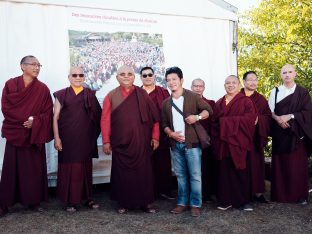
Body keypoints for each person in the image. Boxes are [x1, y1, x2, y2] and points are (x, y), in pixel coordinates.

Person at [101, 65, 160, 214]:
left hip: (141, 141)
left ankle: (145, 202)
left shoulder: (142, 94)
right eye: (122, 74)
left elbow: (155, 118)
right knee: (122, 173)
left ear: (134, 77)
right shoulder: (111, 95)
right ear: (117, 77)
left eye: (129, 74)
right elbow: (105, 119)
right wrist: (106, 141)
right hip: (121, 143)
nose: (126, 76)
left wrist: (155, 137)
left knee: (144, 172)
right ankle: (123, 202)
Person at [0, 55, 53, 217]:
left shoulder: (42, 88)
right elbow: (6, 107)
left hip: (33, 136)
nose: (37, 68)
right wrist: (23, 119)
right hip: (16, 133)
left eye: (39, 65)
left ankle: (33, 201)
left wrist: (35, 122)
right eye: (33, 65)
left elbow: (47, 112)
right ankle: (4, 203)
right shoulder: (11, 84)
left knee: (33, 169)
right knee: (11, 170)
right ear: (23, 66)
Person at [162, 67, 213, 217]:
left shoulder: (193, 96)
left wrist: (196, 118)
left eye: (174, 79)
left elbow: (208, 110)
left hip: (192, 144)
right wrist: (171, 134)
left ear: (181, 80)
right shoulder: (166, 102)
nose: (171, 83)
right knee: (180, 175)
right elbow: (163, 123)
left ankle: (195, 204)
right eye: (169, 80)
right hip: (175, 144)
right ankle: (182, 202)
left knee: (195, 175)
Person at [53, 67, 102, 212]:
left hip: (85, 138)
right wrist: (57, 138)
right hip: (67, 138)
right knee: (70, 169)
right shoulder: (61, 94)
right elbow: (55, 117)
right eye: (74, 75)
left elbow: (98, 116)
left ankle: (88, 198)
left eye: (81, 75)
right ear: (69, 77)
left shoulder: (89, 94)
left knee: (85, 167)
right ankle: (70, 201)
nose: (78, 77)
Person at [211, 75, 257, 211]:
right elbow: (214, 123)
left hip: (238, 142)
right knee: (224, 172)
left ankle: (243, 201)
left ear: (238, 85)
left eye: (233, 83)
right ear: (224, 85)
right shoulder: (219, 103)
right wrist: (222, 127)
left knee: (240, 171)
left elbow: (250, 120)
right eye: (227, 83)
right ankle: (225, 200)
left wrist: (226, 122)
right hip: (223, 143)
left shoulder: (246, 101)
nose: (230, 85)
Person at [268, 64, 312, 204]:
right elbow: (270, 112)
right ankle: (280, 195)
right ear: (281, 75)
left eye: (290, 72)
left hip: (297, 134)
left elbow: (308, 113)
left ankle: (299, 196)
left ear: (295, 74)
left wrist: (291, 116)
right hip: (279, 132)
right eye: (284, 72)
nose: (287, 75)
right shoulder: (275, 92)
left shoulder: (302, 93)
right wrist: (278, 119)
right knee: (280, 164)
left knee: (296, 166)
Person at [140, 66, 175, 200]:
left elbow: (168, 112)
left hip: (161, 132)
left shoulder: (163, 92)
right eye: (145, 75)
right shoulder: (137, 92)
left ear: (154, 76)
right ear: (141, 78)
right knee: (145, 162)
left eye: (150, 75)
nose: (148, 77)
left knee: (162, 163)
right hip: (142, 133)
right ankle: (148, 190)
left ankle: (164, 190)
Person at [241, 71, 271, 203]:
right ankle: (242, 191)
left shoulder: (261, 99)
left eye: (255, 80)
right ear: (244, 82)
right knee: (241, 164)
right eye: (250, 80)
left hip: (255, 137)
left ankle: (257, 192)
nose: (253, 82)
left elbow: (268, 116)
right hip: (240, 137)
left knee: (256, 164)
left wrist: (259, 118)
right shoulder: (237, 97)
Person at [191, 78, 216, 202]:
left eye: (200, 86)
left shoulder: (210, 103)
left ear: (204, 88)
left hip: (206, 140)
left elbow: (214, 122)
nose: (198, 88)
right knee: (193, 168)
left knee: (206, 166)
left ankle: (207, 193)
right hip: (191, 140)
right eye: (195, 86)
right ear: (191, 87)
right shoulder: (186, 103)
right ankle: (195, 193)